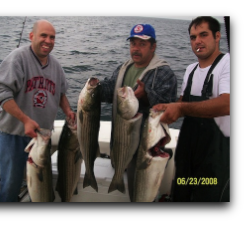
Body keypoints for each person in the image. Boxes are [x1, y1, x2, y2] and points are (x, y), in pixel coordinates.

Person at [0, 19, 75, 202]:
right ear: (31, 36)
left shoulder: (56, 66)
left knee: (41, 186)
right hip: (14, 136)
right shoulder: (17, 58)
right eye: (43, 35)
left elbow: (60, 93)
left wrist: (68, 111)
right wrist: (25, 119)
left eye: (52, 37)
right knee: (11, 186)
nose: (48, 41)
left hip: (41, 138)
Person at [153, 16, 230, 202]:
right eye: (193, 37)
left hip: (215, 160)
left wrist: (180, 108)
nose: (197, 41)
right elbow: (182, 104)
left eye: (203, 35)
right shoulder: (190, 70)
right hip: (187, 155)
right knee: (181, 195)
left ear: (217, 36)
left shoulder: (227, 63)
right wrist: (162, 110)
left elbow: (227, 103)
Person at [99, 24, 177, 201]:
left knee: (140, 194)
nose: (136, 48)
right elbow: (110, 89)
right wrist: (94, 89)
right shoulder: (123, 68)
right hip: (120, 143)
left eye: (142, 44)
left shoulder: (164, 73)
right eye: (133, 43)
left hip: (145, 151)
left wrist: (147, 96)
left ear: (153, 46)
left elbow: (170, 106)